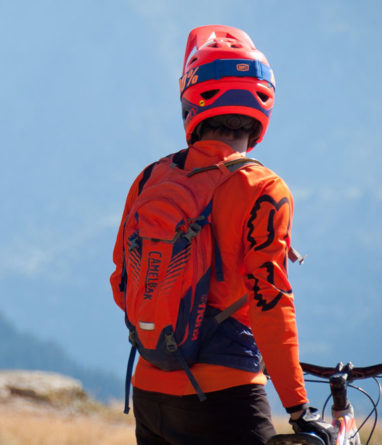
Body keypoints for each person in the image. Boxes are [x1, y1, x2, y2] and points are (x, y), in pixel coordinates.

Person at [110, 25, 337, 444]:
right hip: (224, 396)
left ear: (191, 103)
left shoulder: (149, 180)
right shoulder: (263, 189)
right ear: (261, 108)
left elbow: (122, 281)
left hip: (150, 392)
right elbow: (270, 300)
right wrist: (298, 407)